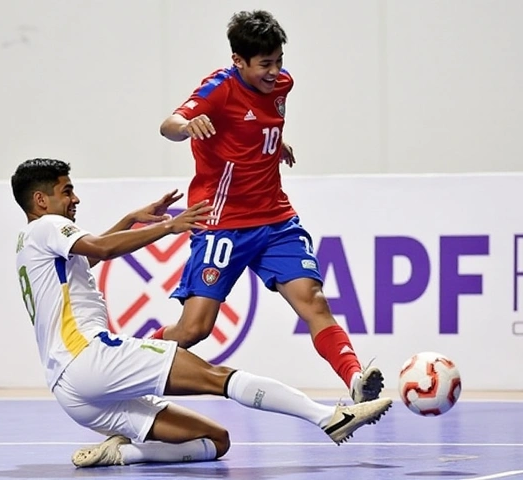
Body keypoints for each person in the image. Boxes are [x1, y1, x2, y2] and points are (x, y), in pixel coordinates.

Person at [11, 158, 392, 468]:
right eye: (67, 190)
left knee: (215, 441)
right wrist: (169, 227)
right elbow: (102, 248)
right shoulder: (49, 225)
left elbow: (91, 255)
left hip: (72, 392)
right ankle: (328, 418)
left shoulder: (30, 245)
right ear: (41, 200)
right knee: (218, 377)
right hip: (90, 358)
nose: (75, 198)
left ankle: (122, 453)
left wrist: (132, 219)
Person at [157, 10, 383, 404]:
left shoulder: (282, 84)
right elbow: (169, 124)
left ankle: (356, 378)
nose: (275, 71)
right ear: (238, 61)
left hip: (276, 220)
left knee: (314, 300)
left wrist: (274, 143)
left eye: (279, 60)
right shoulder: (218, 89)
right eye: (265, 64)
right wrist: (186, 127)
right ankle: (127, 359)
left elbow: (254, 125)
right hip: (222, 224)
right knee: (194, 330)